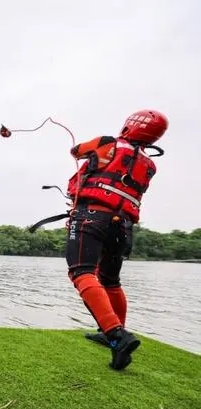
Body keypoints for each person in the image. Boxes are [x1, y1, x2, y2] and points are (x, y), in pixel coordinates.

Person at [65, 109, 168, 370]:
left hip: (91, 218)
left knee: (81, 272)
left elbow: (76, 151)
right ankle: (113, 333)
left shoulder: (107, 143)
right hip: (122, 226)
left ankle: (116, 336)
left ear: (130, 125)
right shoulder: (150, 165)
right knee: (110, 280)